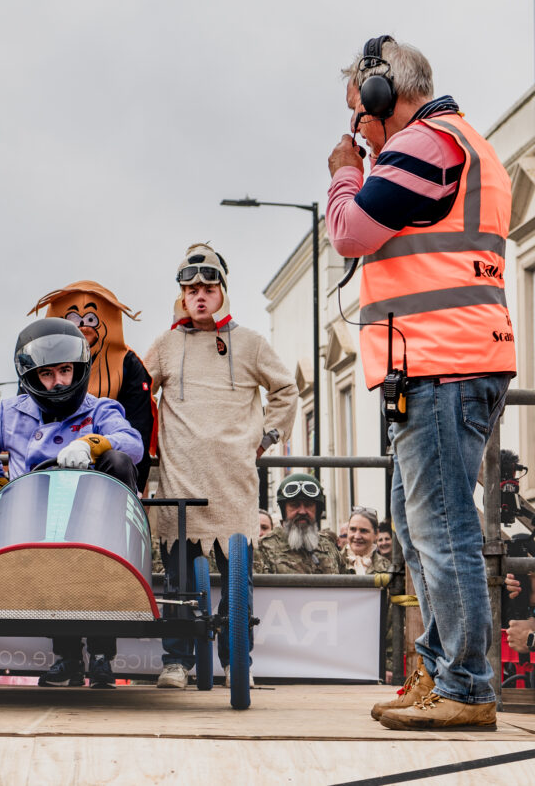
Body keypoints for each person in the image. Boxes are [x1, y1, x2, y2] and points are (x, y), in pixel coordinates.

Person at [327, 36, 514, 731]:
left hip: (442, 361)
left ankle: (465, 684)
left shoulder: (421, 144)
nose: (354, 130)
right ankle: (442, 672)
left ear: (383, 97)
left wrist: (346, 172)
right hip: (449, 359)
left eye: (358, 112)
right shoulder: (462, 142)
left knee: (441, 529)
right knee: (417, 523)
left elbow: (349, 231)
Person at [144, 243, 297, 689]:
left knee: (236, 584)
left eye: (208, 287)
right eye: (191, 289)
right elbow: (136, 390)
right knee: (177, 583)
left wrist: (268, 435)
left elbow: (286, 389)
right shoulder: (166, 345)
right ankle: (177, 662)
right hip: (181, 479)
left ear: (223, 292)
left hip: (233, 482)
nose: (199, 295)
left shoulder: (250, 343)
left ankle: (236, 662)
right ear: (181, 296)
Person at [0, 318, 143, 687]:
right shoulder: (10, 413)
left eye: (66, 371)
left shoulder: (101, 409)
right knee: (55, 564)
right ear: (31, 376)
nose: (59, 382)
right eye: (47, 374)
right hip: (34, 519)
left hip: (97, 525)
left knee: (118, 461)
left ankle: (100, 656)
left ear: (79, 369)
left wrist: (92, 443)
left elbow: (133, 444)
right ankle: (66, 658)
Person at [28, 281, 156, 492]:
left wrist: (137, 488)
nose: (84, 327)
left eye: (91, 319)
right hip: (46, 474)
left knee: (118, 458)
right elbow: (27, 413)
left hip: (107, 475)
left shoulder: (128, 365)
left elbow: (137, 429)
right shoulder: (39, 364)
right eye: (73, 320)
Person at [255, 474, 348, 575]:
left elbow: (347, 585)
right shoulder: (262, 549)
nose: (302, 511)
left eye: (308, 505)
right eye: (294, 505)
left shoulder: (329, 546)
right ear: (284, 510)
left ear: (317, 510)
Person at [343, 507, 392, 576]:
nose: (357, 536)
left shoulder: (388, 568)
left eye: (363, 531)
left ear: (376, 534)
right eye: (353, 529)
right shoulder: (333, 561)